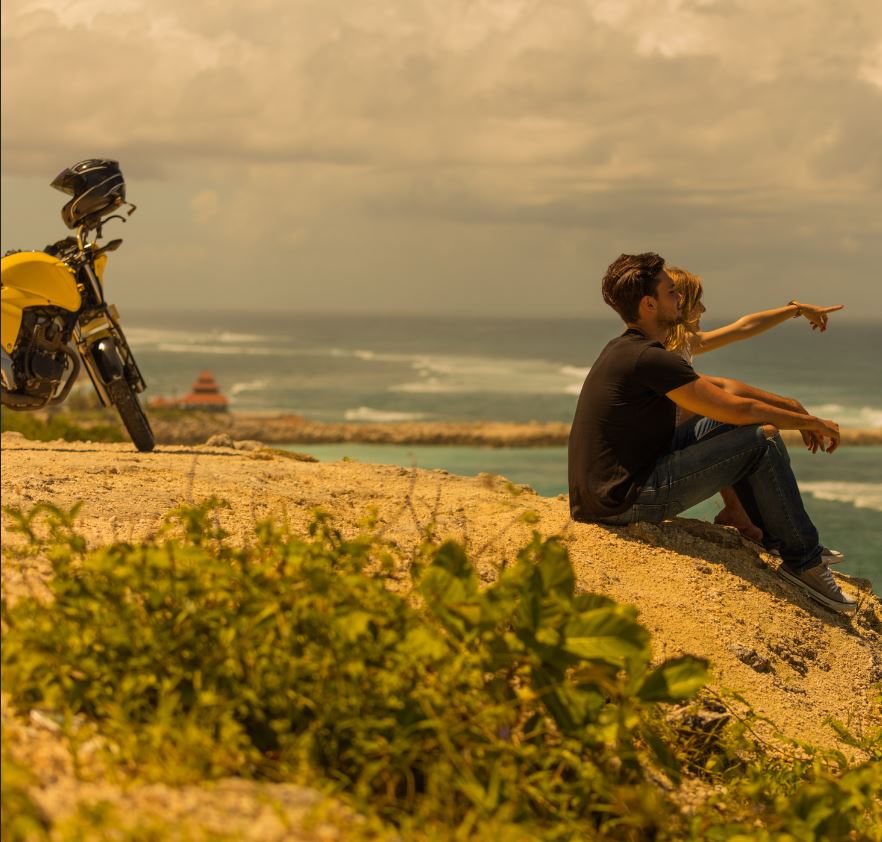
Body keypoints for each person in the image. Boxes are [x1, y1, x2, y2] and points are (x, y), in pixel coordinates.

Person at [568, 252, 856, 615]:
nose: (681, 300)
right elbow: (737, 406)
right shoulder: (652, 357)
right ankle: (804, 562)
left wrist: (794, 409)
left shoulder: (630, 349)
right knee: (762, 439)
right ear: (649, 303)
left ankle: (779, 538)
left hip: (612, 488)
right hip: (625, 500)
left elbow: (726, 396)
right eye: (672, 292)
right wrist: (810, 422)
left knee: (745, 427)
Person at [664, 266, 844, 561]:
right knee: (731, 417)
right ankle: (762, 524)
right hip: (659, 465)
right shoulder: (665, 352)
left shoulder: (682, 343)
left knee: (723, 415)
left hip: (670, 447)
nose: (704, 309)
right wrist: (797, 414)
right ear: (680, 304)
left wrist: (796, 310)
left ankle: (737, 511)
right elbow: (728, 394)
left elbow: (744, 327)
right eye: (698, 302)